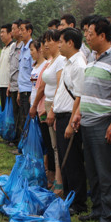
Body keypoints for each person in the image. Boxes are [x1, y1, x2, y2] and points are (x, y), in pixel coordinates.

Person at [73, 16, 111, 222]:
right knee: (92, 170)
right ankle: (97, 209)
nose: (87, 37)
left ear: (103, 36)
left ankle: (109, 217)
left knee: (106, 172)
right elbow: (87, 90)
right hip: (87, 122)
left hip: (103, 123)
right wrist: (79, 113)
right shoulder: (92, 58)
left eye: (90, 34)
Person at [51, 27, 88, 214]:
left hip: (70, 117)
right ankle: (68, 198)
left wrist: (71, 122)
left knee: (73, 162)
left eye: (61, 41)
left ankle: (78, 203)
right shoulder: (67, 62)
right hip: (61, 116)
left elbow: (80, 96)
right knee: (65, 163)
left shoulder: (79, 65)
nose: (58, 45)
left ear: (70, 43)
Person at [31, 29, 65, 196]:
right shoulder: (51, 62)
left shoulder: (60, 61)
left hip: (55, 106)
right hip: (49, 104)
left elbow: (59, 86)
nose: (45, 44)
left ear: (58, 42)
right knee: (53, 146)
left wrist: (51, 108)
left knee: (57, 146)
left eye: (49, 40)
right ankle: (57, 179)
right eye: (44, 41)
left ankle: (60, 181)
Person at [16, 21, 34, 148]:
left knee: (28, 120)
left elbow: (34, 72)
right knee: (23, 119)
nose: (20, 32)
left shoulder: (33, 49)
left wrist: (32, 93)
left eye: (22, 30)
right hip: (22, 90)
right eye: (19, 29)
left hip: (29, 91)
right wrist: (19, 91)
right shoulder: (22, 49)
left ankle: (28, 148)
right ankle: (23, 147)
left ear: (29, 31)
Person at [7, 20, 23, 146]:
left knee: (21, 115)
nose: (12, 31)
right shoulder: (13, 47)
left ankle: (20, 140)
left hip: (20, 86)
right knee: (15, 113)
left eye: (14, 29)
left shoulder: (24, 47)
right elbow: (11, 67)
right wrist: (9, 84)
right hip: (12, 85)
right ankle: (15, 137)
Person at [0, 24, 13, 111]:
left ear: (10, 33)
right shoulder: (3, 50)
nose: (1, 35)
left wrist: (10, 84)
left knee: (9, 112)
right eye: (0, 32)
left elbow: (14, 68)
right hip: (2, 85)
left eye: (3, 32)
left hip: (9, 86)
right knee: (3, 110)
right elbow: (1, 68)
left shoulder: (13, 48)